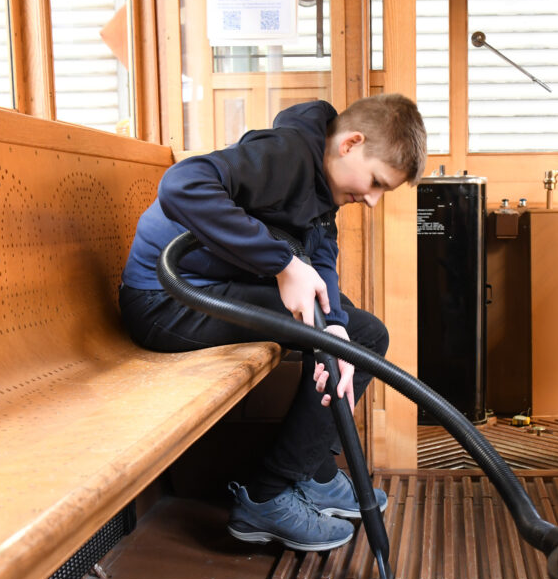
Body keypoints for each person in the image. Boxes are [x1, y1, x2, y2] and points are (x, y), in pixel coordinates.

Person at [118, 94, 427, 552]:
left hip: (206, 289)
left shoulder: (323, 178)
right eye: (377, 182)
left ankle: (314, 471)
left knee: (357, 335)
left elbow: (319, 253)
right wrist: (282, 263)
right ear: (351, 143)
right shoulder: (284, 153)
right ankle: (267, 495)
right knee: (363, 337)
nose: (374, 201)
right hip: (166, 301)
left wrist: (335, 323)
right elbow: (182, 184)